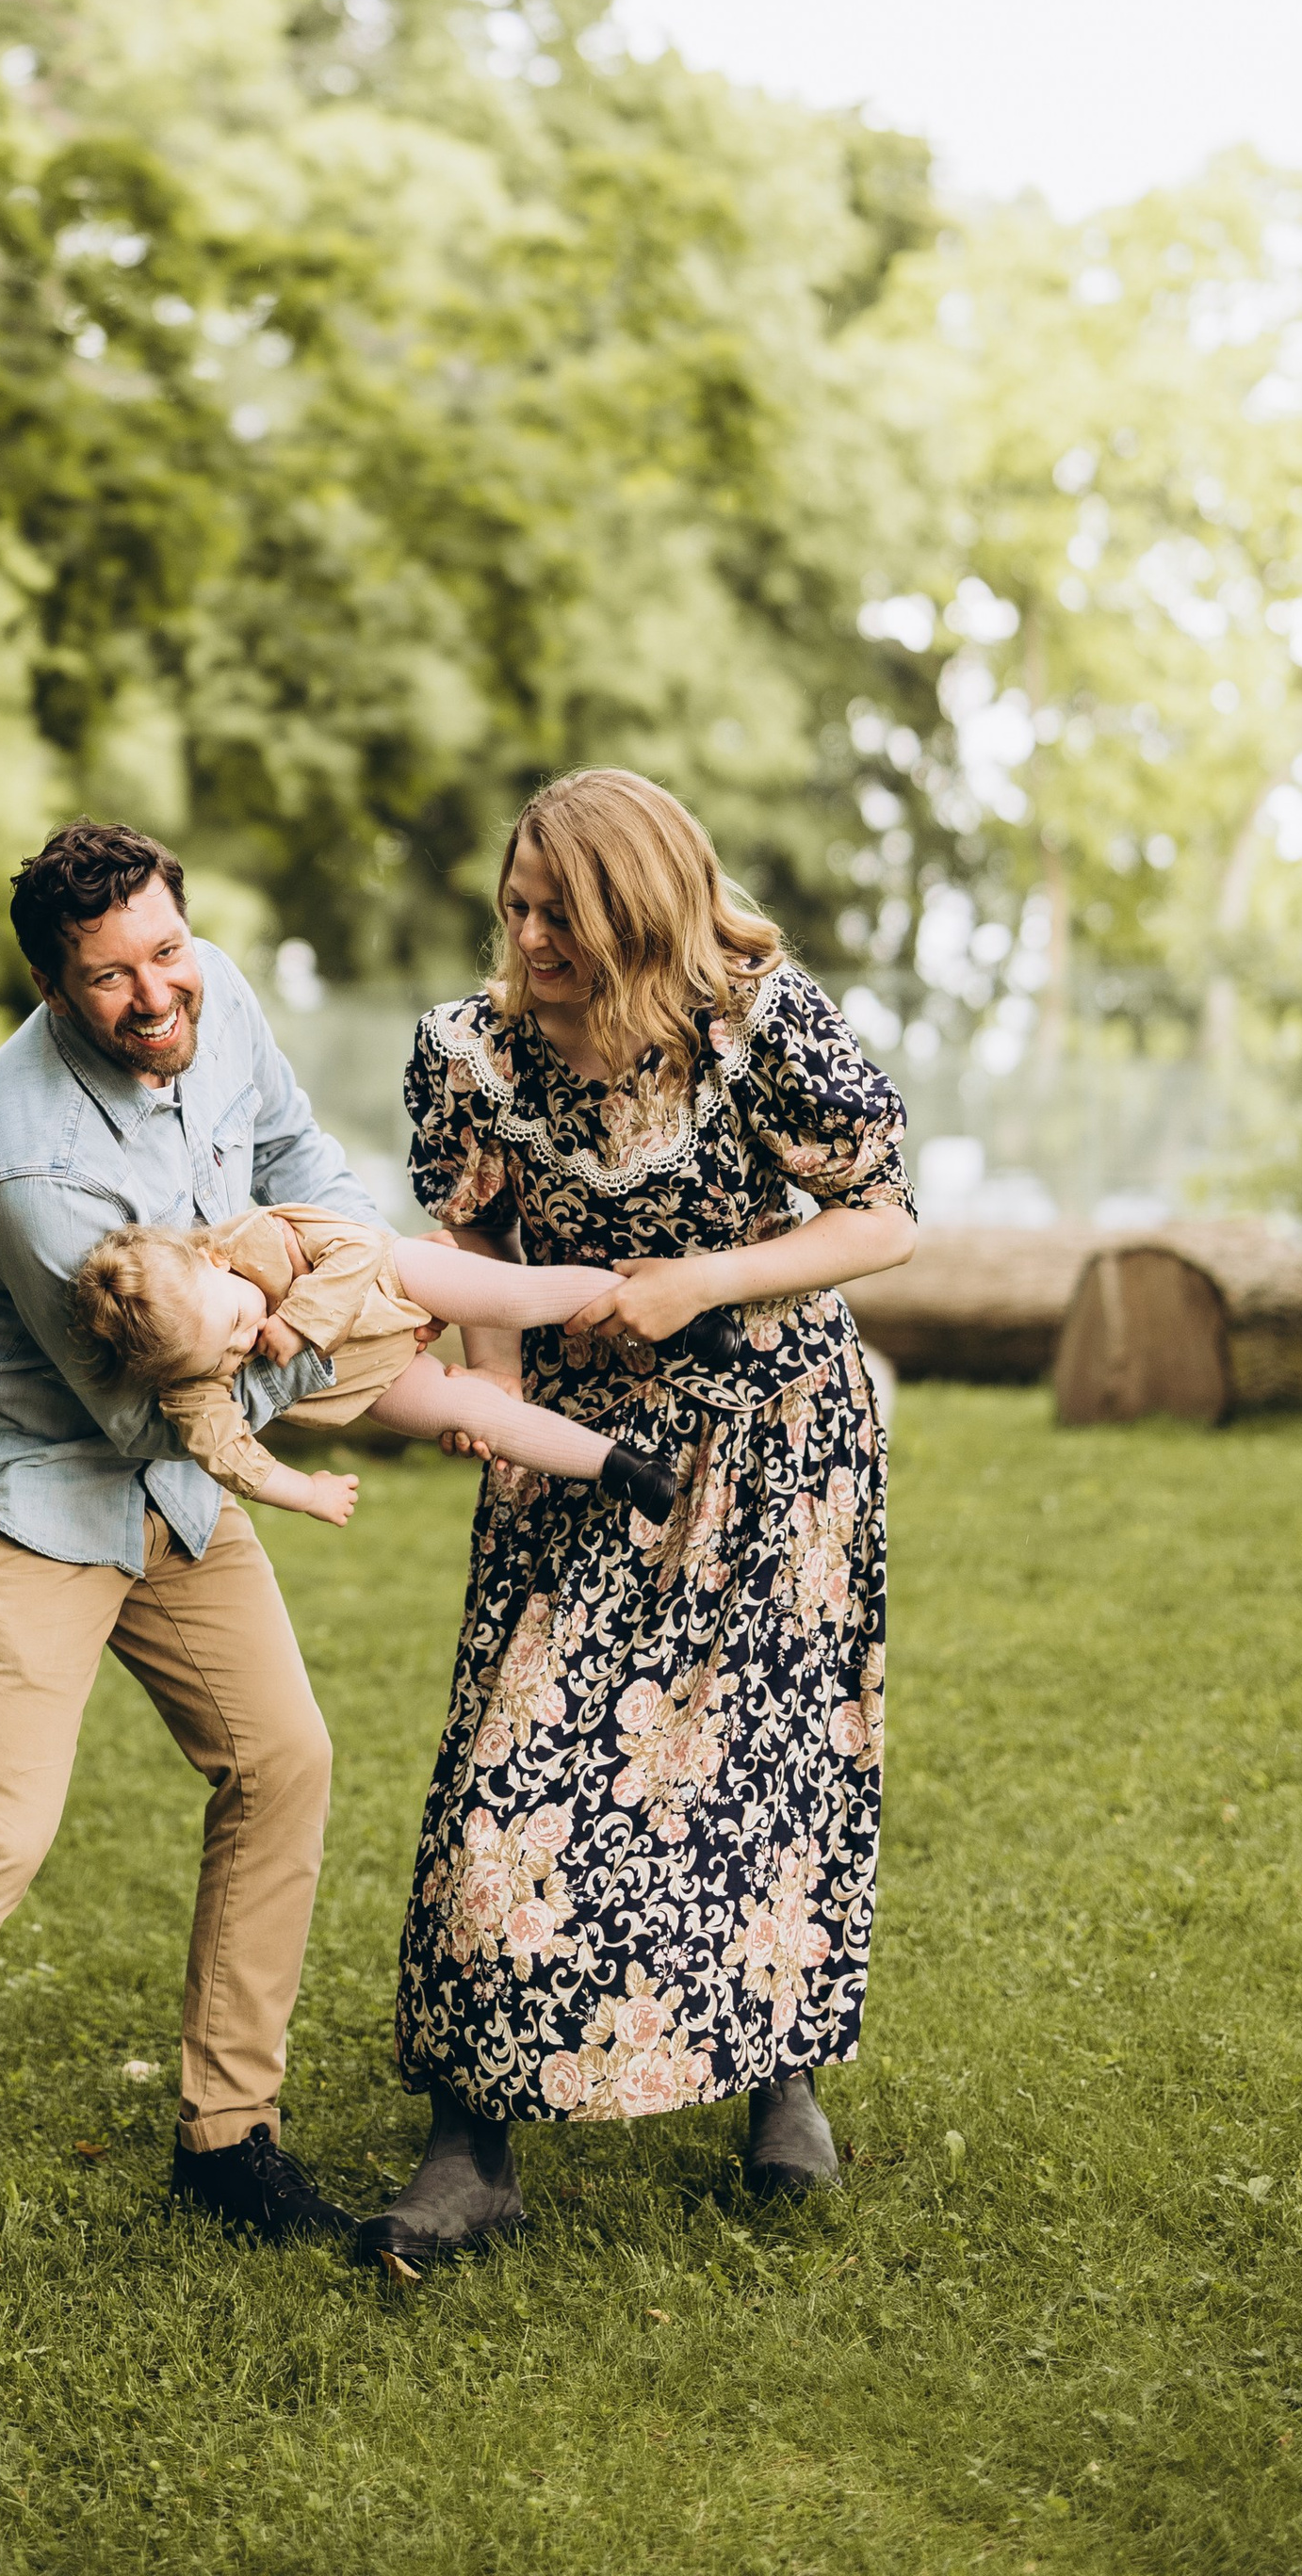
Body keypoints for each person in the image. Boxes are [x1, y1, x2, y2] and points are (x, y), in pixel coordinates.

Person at [0, 820, 383, 2337]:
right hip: (19, 1501)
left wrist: (329, 1248)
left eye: (165, 951)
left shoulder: (213, 991)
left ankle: (230, 2142)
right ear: (48, 985)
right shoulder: (34, 1164)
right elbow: (147, 1405)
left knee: (282, 1758)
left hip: (173, 1490)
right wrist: (325, 1327)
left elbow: (306, 1158)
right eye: (108, 978)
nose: (154, 993)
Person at [363, 769, 915, 2272]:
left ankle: (777, 2084)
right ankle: (471, 2145)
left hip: (777, 1443)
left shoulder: (757, 1019)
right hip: (576, 1444)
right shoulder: (469, 1054)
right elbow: (466, 1232)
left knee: (761, 1766)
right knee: (511, 1767)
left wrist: (705, 1280)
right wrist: (506, 1416)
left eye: (567, 916)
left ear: (644, 911)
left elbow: (885, 1214)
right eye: (520, 907)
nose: (532, 939)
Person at [70, 1206, 673, 1524]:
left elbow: (356, 1244)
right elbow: (232, 1460)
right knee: (478, 1416)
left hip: (393, 1278)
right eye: (224, 1357)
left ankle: (662, 1308)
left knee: (512, 1295)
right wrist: (307, 1492)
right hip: (369, 1379)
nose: (245, 1344)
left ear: (214, 1260)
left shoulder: (256, 1236)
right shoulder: (189, 1387)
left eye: (235, 1324)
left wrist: (299, 1319)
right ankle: (624, 1468)